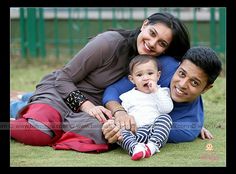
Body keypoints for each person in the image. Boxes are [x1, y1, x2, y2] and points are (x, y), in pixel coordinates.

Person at [10, 12, 190, 152]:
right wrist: (86, 106)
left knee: (112, 134)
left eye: (161, 43)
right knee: (39, 132)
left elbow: (176, 88)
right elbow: (64, 78)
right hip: (61, 93)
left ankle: (29, 109)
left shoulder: (152, 66)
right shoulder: (108, 42)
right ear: (144, 24)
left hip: (94, 112)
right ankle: (24, 113)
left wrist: (195, 124)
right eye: (152, 33)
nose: (152, 43)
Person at [102, 46, 222, 145]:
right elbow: (113, 90)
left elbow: (147, 132)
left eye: (194, 82)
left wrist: (116, 130)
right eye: (181, 73)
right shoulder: (161, 67)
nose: (182, 84)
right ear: (178, 65)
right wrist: (119, 112)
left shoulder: (188, 127)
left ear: (206, 88)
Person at [117, 55, 173, 160]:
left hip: (154, 131)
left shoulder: (162, 92)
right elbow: (124, 116)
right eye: (139, 75)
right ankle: (134, 147)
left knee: (166, 118)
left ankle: (152, 147)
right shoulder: (128, 96)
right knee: (119, 129)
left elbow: (167, 109)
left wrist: (156, 91)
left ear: (158, 75)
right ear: (132, 79)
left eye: (150, 73)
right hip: (136, 132)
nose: (145, 78)